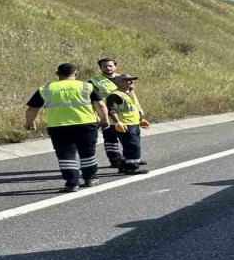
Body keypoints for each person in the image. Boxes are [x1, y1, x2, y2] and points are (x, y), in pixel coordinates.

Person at [24, 63, 109, 192]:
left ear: (57, 74)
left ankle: (72, 183)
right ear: (76, 74)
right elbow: (101, 105)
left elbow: (32, 109)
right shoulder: (86, 86)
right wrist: (104, 120)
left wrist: (29, 123)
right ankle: (90, 179)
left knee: (66, 155)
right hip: (86, 125)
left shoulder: (46, 89)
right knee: (88, 153)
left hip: (59, 127)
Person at [106, 74, 151, 174]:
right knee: (133, 146)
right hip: (124, 124)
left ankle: (123, 166)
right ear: (118, 83)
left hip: (133, 123)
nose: (131, 82)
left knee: (129, 146)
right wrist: (117, 122)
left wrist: (141, 119)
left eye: (132, 80)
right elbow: (111, 110)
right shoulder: (115, 95)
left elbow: (134, 108)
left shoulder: (129, 93)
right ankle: (132, 167)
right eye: (127, 80)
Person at [90, 58, 123, 168]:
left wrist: (139, 108)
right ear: (100, 68)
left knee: (129, 137)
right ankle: (115, 160)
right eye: (104, 66)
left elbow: (132, 94)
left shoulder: (124, 78)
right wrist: (96, 116)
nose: (107, 68)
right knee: (110, 138)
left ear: (115, 66)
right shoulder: (94, 82)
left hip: (124, 114)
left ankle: (130, 158)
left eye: (110, 66)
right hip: (107, 114)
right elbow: (91, 101)